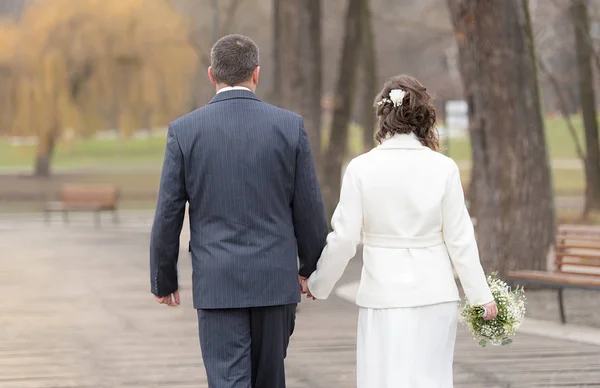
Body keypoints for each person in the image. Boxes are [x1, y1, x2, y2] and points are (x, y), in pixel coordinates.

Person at [150, 34, 328, 388]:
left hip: (218, 282)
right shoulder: (289, 126)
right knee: (270, 380)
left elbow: (168, 213)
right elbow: (309, 207)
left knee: (227, 380)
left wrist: (163, 277)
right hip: (274, 281)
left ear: (211, 74)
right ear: (256, 74)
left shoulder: (184, 131)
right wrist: (312, 267)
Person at [302, 75, 498, 387]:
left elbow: (344, 239)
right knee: (432, 379)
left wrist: (318, 283)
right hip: (436, 294)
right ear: (423, 117)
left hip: (384, 294)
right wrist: (480, 295)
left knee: (382, 378)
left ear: (383, 115)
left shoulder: (361, 168)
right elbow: (460, 239)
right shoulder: (444, 168)